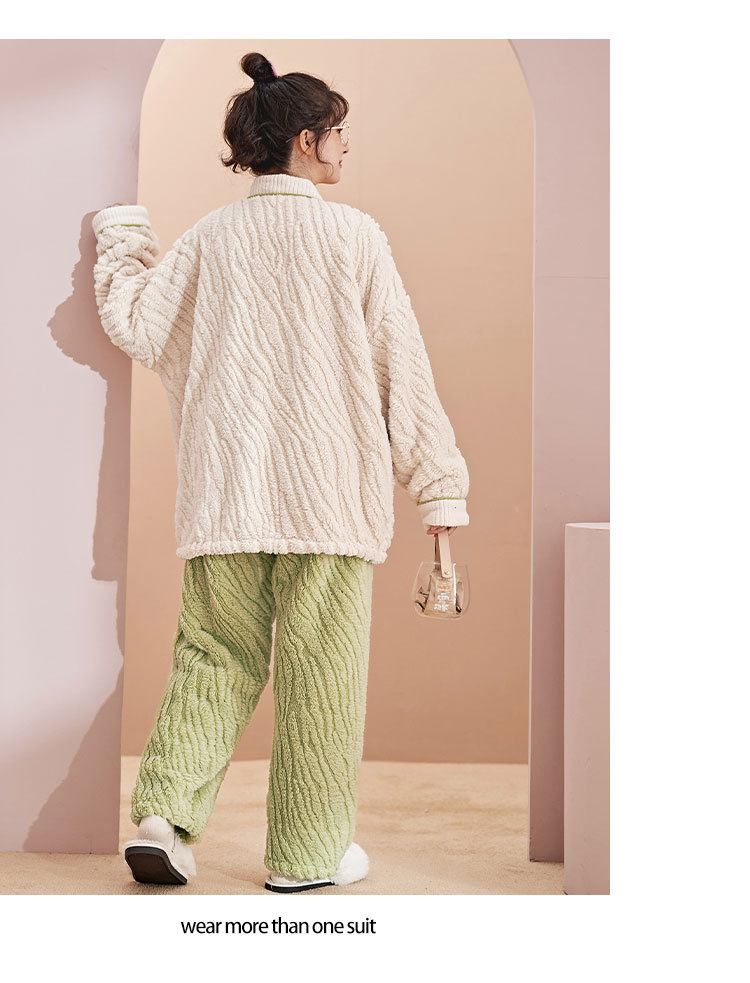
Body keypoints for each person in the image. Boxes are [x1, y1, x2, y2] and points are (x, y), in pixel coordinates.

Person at [91, 51, 470, 893]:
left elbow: (140, 324)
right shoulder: (355, 237)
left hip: (227, 493)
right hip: (330, 499)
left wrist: (122, 235)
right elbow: (401, 369)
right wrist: (438, 483)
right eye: (338, 132)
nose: (345, 146)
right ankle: (306, 856)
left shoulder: (208, 239)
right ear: (305, 140)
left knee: (213, 655)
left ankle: (162, 820)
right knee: (321, 674)